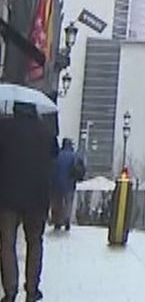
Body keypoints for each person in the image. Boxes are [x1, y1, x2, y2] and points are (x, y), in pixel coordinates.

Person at [0, 103, 58, 302]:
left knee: (7, 243)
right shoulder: (46, 132)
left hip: (7, 197)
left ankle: (10, 290)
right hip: (37, 197)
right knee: (34, 242)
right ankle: (32, 289)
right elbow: (54, 156)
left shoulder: (4, 128)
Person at [50, 139, 79, 231]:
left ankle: (57, 221)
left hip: (56, 184)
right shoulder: (73, 156)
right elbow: (77, 169)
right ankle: (66, 220)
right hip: (69, 184)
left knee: (57, 203)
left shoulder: (57, 155)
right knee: (68, 203)